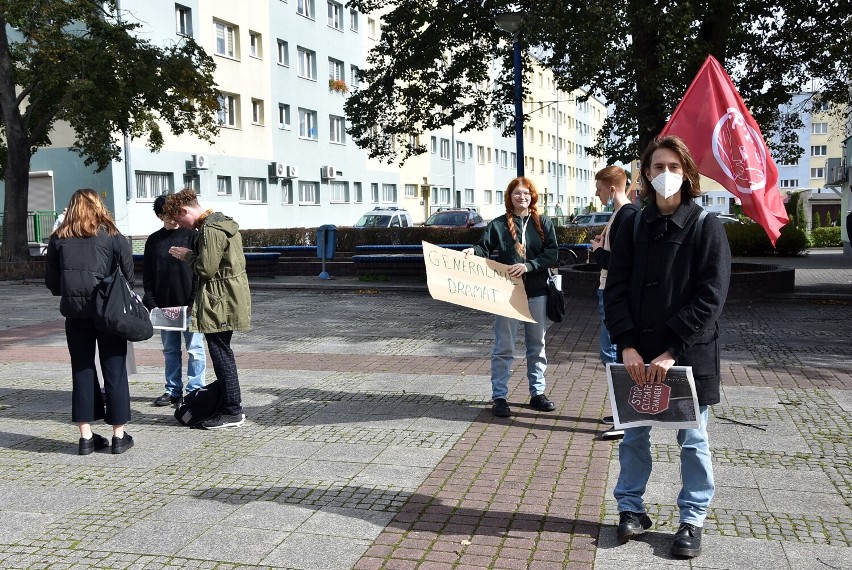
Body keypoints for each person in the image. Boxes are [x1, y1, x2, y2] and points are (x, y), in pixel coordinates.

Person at [604, 136, 731, 558]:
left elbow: (711, 296)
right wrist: (626, 344)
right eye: (658, 166)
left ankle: (691, 520)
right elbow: (616, 287)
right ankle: (630, 509)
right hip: (637, 355)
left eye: (674, 166)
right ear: (645, 174)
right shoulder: (632, 223)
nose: (665, 175)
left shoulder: (705, 225)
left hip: (687, 356)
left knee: (692, 440)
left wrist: (672, 348)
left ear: (688, 174)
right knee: (633, 436)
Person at [45, 189, 135, 455]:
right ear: (98, 206)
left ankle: (86, 437)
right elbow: (128, 277)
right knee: (114, 369)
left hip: (75, 312)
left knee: (82, 368)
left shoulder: (58, 239)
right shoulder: (113, 236)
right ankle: (119, 436)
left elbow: (52, 283)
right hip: (109, 311)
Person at [462, 177, 559, 417]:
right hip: (507, 293)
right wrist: (472, 251)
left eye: (526, 193)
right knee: (504, 347)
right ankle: (500, 397)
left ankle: (537, 393)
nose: (522, 197)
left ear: (532, 196)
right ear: (510, 196)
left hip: (537, 293)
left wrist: (530, 266)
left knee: (537, 346)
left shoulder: (543, 223)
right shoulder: (498, 224)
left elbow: (552, 253)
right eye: (517, 193)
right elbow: (484, 247)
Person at [163, 188, 251, 429]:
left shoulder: (210, 230)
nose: (181, 226)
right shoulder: (221, 223)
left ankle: (233, 410)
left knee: (221, 353)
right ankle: (229, 406)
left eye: (180, 220)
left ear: (184, 210)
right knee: (222, 351)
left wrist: (188, 255)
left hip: (220, 299)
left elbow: (206, 269)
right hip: (228, 296)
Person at [143, 194, 207, 407]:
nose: (173, 219)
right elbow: (148, 273)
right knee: (170, 350)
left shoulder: (191, 235)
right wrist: (150, 300)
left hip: (189, 304)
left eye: (175, 213)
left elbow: (199, 270)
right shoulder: (154, 241)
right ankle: (173, 390)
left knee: (195, 349)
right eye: (167, 215)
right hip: (164, 305)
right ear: (160, 216)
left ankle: (195, 389)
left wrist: (193, 298)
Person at [590, 166, 639, 441]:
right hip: (608, 291)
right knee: (612, 354)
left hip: (612, 292)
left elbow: (621, 265)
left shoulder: (626, 216)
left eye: (599, 190)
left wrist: (598, 252)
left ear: (611, 188)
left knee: (613, 355)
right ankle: (622, 411)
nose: (597, 195)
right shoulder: (620, 215)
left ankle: (625, 415)